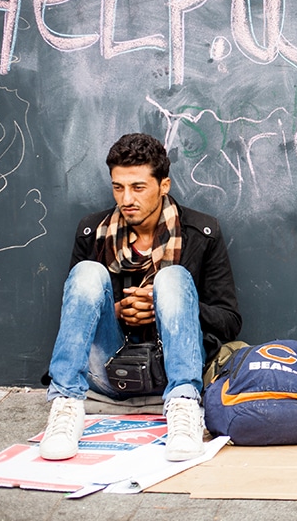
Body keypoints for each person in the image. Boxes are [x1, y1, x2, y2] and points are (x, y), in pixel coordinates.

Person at [40, 133, 242, 461]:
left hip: (171, 365)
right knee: (87, 274)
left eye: (138, 187)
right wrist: (117, 310)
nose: (126, 199)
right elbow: (78, 309)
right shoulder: (92, 232)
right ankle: (66, 406)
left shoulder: (201, 233)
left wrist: (161, 308)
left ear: (164, 185)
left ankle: (184, 406)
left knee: (173, 278)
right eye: (118, 187)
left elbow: (229, 320)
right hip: (107, 367)